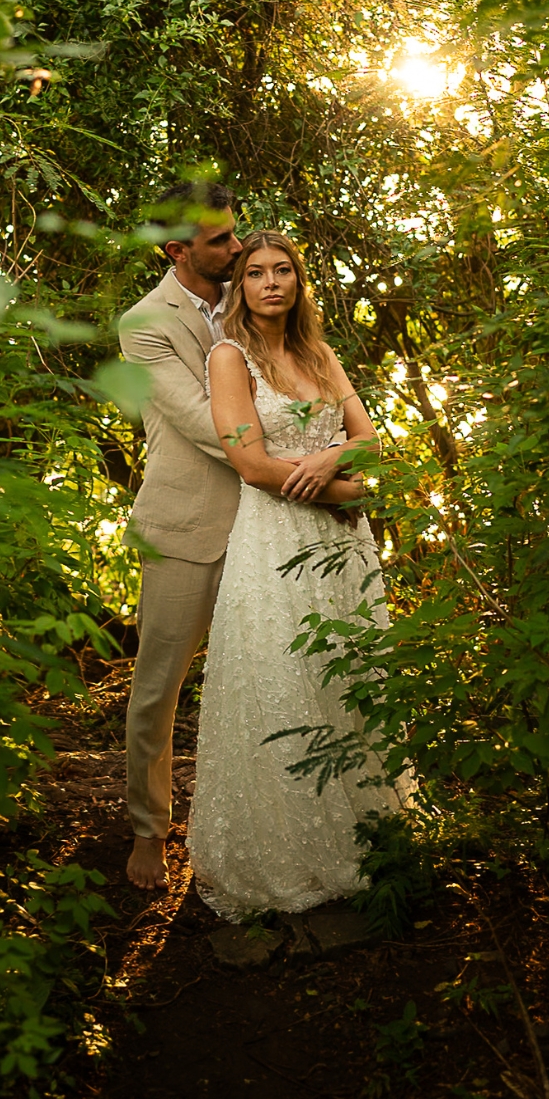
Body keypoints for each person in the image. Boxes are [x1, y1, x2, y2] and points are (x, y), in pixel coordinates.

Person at [187, 229, 410, 920]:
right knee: (282, 678)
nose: (271, 283)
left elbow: (370, 439)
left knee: (348, 672)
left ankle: (368, 834)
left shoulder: (318, 352)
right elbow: (250, 463)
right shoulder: (228, 357)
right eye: (255, 273)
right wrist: (338, 485)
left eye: (283, 270)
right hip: (277, 535)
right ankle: (281, 852)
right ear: (240, 286)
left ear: (298, 281)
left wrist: (331, 458)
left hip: (344, 546)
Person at [117, 181, 244, 892]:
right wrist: (299, 466)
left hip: (265, 523)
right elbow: (201, 422)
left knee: (259, 680)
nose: (236, 247)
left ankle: (245, 823)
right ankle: (147, 830)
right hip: (182, 525)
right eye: (220, 240)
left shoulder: (257, 293)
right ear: (176, 251)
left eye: (235, 233)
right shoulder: (143, 323)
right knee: (157, 690)